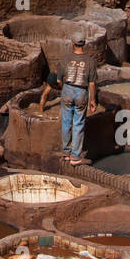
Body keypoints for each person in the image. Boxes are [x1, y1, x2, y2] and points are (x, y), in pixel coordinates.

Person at [42, 30, 98, 165]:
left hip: (67, 90)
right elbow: (92, 83)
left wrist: (65, 89)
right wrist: (92, 99)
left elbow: (59, 80)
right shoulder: (90, 61)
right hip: (81, 91)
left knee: (66, 121)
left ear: (72, 44)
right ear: (83, 44)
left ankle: (66, 152)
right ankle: (75, 156)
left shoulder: (66, 59)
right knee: (78, 123)